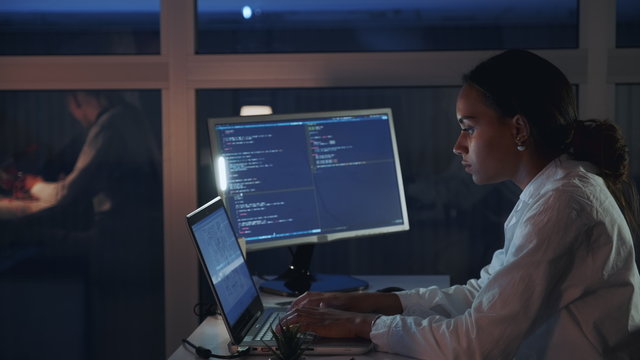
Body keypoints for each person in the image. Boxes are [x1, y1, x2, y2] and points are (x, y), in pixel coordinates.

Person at [283, 49, 640, 359]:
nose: (458, 145)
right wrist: (371, 304)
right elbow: (482, 295)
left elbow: (474, 346)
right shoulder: (553, 189)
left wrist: (363, 326)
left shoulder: (562, 205)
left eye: (468, 127)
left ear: (519, 129)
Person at [0, 91, 164, 360]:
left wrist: (33, 184)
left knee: (25, 234)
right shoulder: (130, 116)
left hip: (120, 242)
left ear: (76, 100)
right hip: (139, 237)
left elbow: (67, 194)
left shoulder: (110, 124)